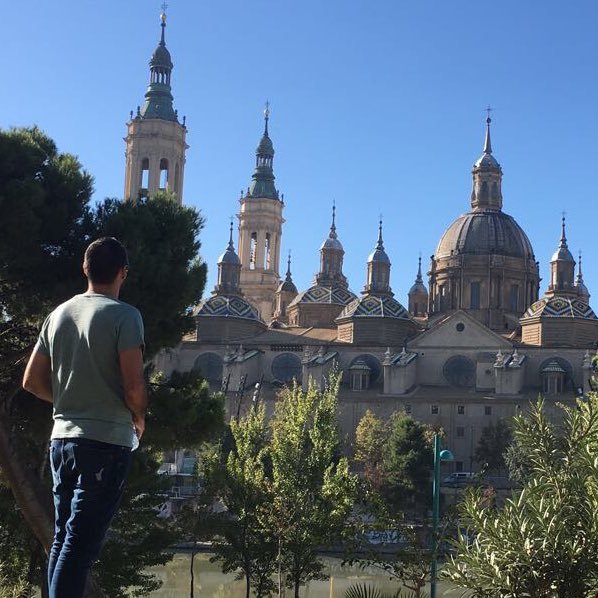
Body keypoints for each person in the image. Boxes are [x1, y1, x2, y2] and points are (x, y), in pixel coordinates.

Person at [22, 237, 147, 598]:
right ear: (123, 273)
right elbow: (134, 386)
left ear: (85, 269)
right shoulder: (126, 316)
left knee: (62, 540)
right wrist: (138, 417)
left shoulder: (58, 314)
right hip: (106, 443)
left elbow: (30, 381)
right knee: (79, 550)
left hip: (61, 440)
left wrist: (69, 399)